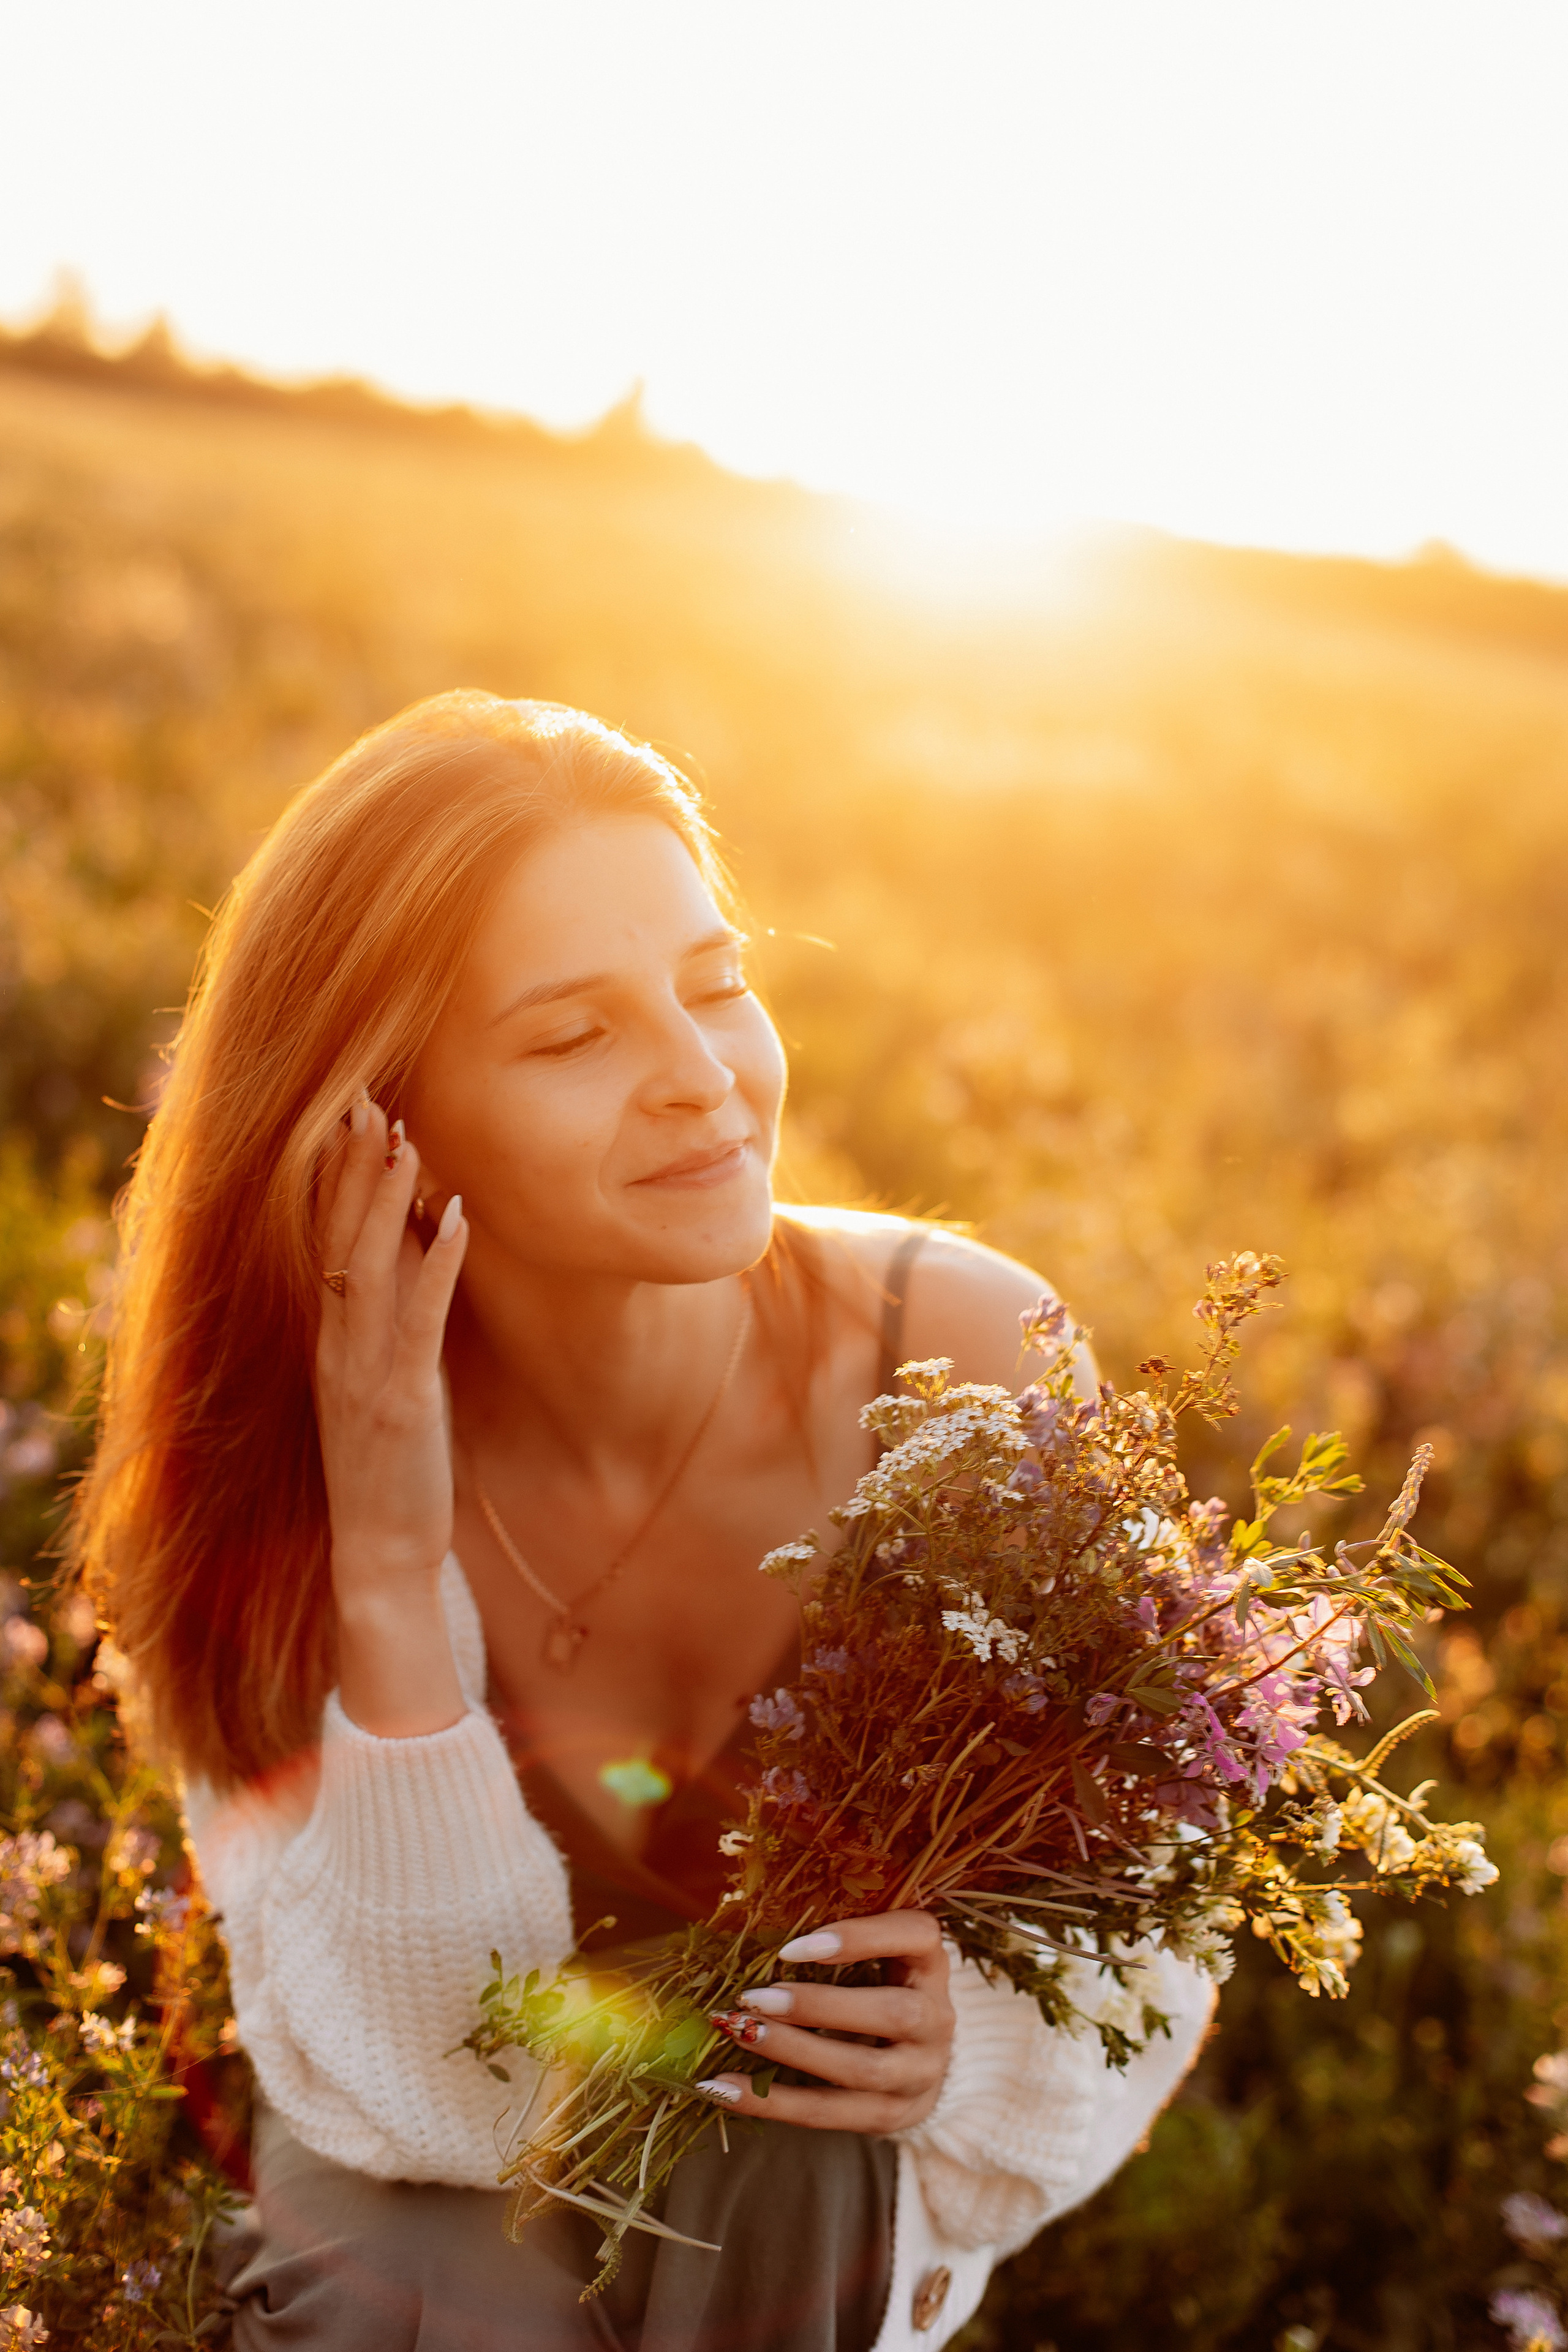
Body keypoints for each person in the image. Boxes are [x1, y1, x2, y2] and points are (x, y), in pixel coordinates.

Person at [74, 693, 1214, 2351]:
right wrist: (390, 1562)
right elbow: (433, 2103)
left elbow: (1163, 1895)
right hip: (422, 2193)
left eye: (717, 984)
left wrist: (985, 2038)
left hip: (786, 2230)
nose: (704, 1081)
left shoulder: (959, 1359)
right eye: (570, 1038)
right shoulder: (279, 1450)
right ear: (370, 1123)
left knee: (768, 2123)